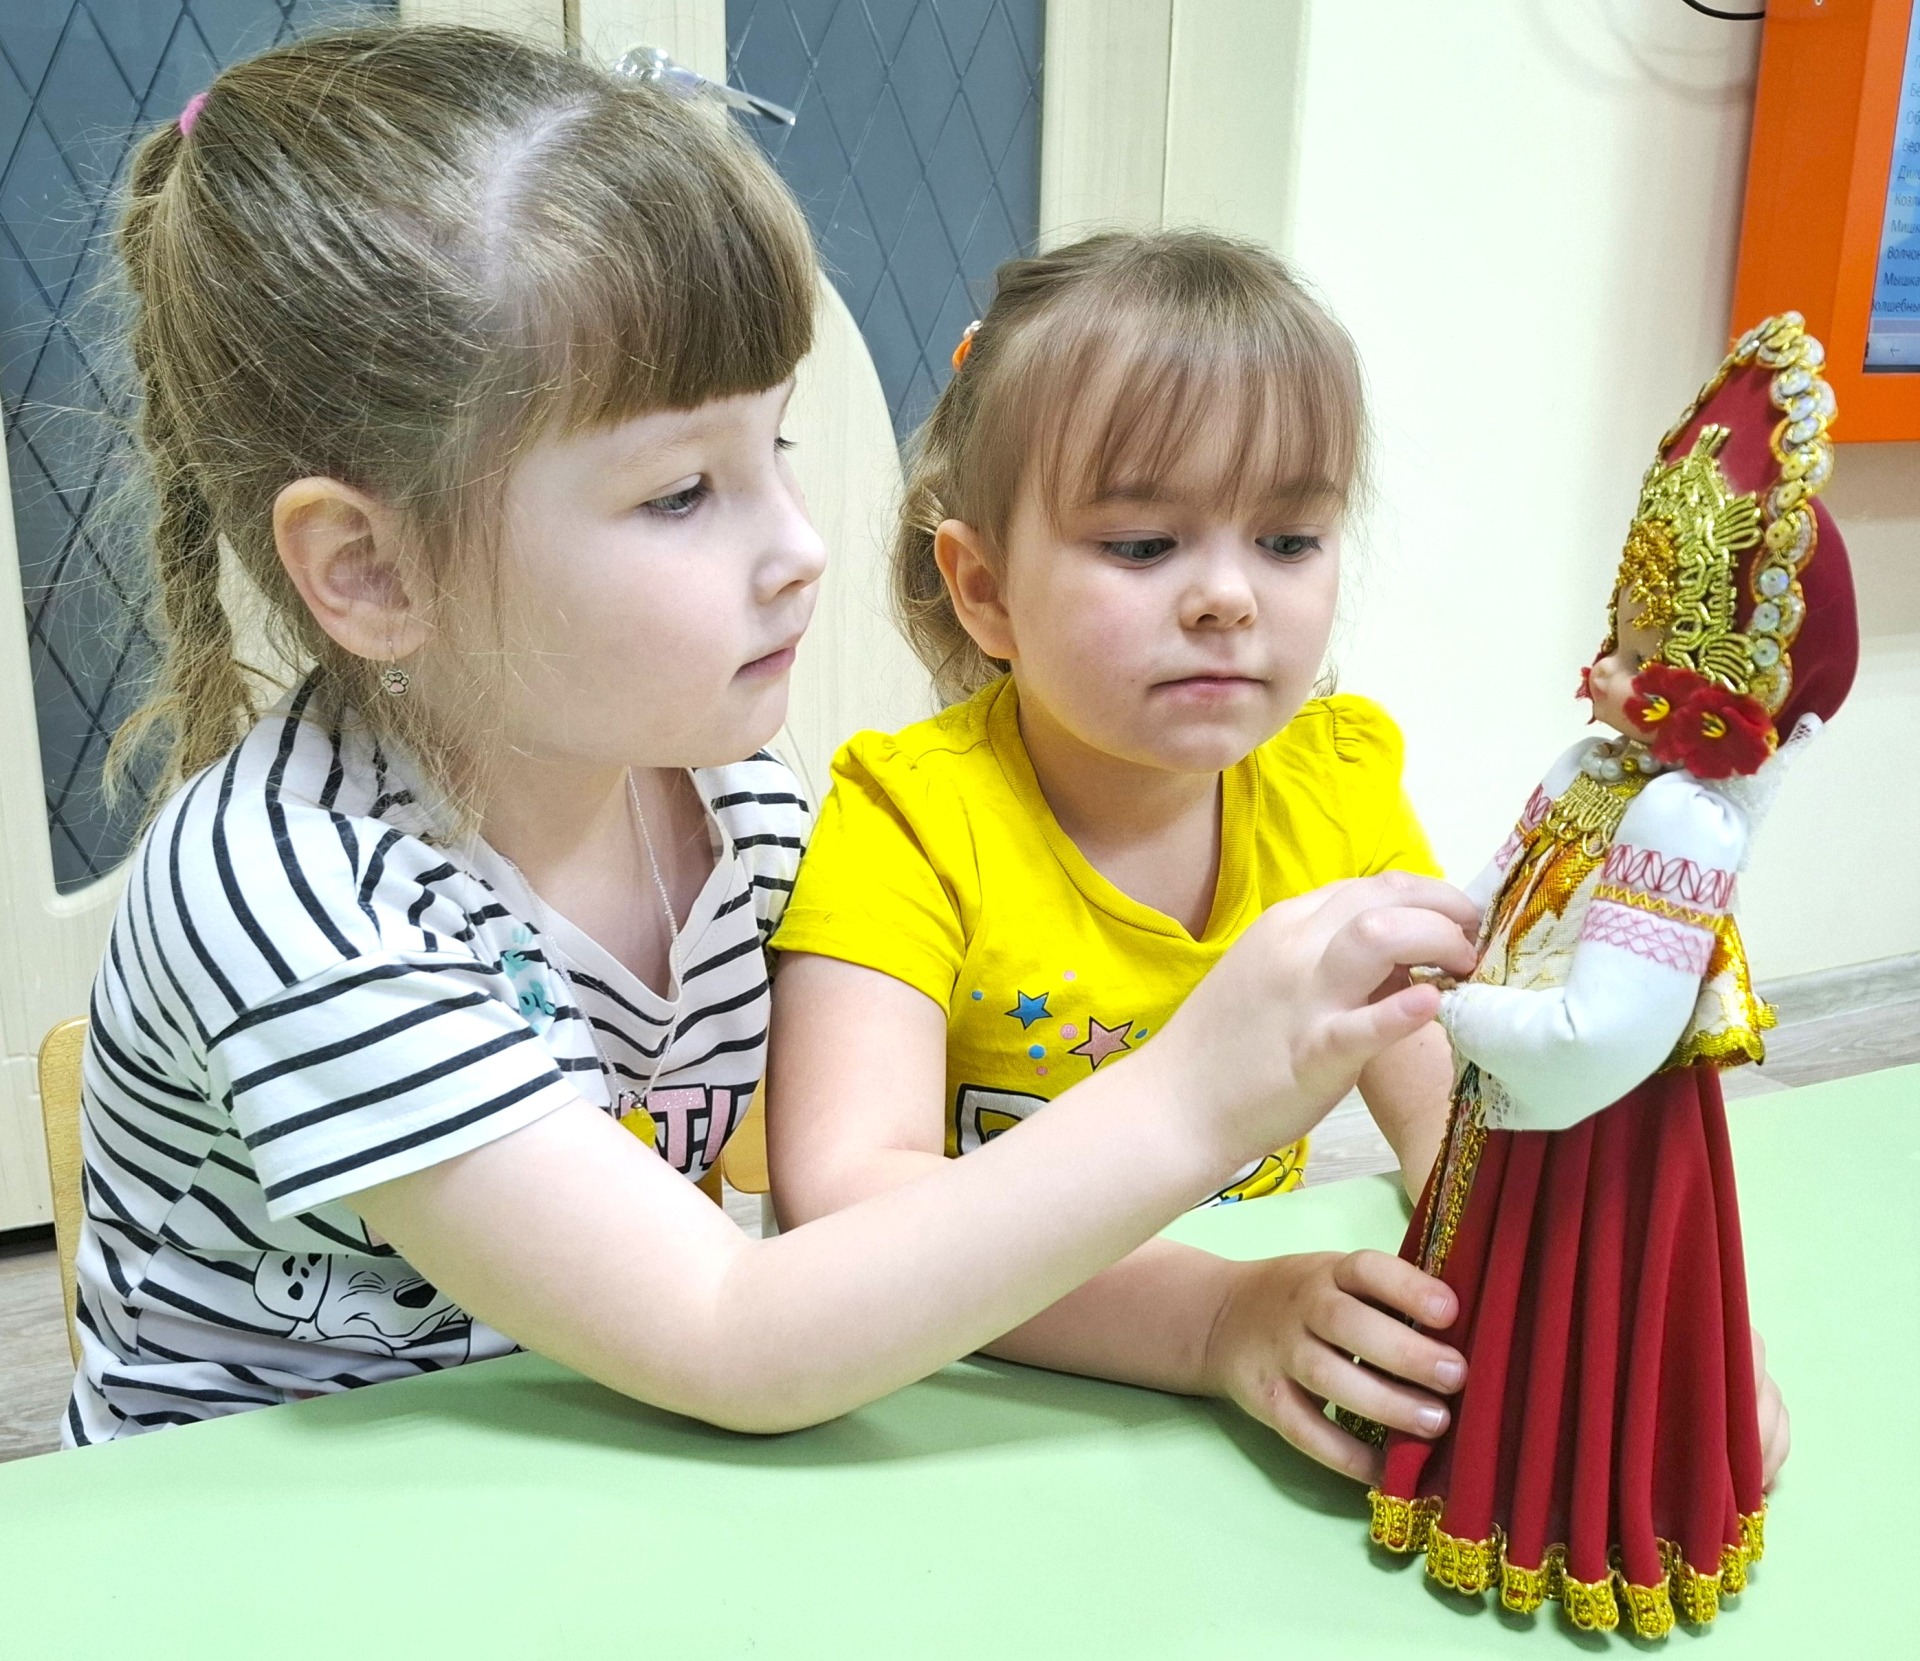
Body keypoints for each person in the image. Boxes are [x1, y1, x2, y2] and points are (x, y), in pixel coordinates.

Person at [67, 24, 1479, 1446]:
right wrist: (1196, 1098)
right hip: (256, 1520)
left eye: (777, 448)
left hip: (600, 1453)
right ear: (373, 569)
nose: (802, 547)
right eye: (681, 492)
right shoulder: (292, 891)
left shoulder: (732, 803)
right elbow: (728, 1330)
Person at [768, 231, 1474, 1481]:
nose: (1228, 597)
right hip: (957, 1416)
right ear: (985, 589)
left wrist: (1625, 1351)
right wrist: (1211, 1316)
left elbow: (1465, 1131)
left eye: (1289, 539)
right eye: (1145, 544)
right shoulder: (906, 819)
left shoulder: (1338, 789)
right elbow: (841, 1200)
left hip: (1236, 1412)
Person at [1365, 313, 1843, 1637]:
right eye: (1613, 637)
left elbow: (1602, 1036)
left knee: (1589, 1298)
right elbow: (1497, 877)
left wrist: (1449, 1005)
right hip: (1505, 1096)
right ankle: (1469, 1477)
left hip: (1598, 1131)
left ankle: (1577, 1518)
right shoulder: (1594, 769)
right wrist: (1423, 928)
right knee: (1500, 1279)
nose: (1601, 673)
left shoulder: (1683, 821)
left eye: (1638, 655)